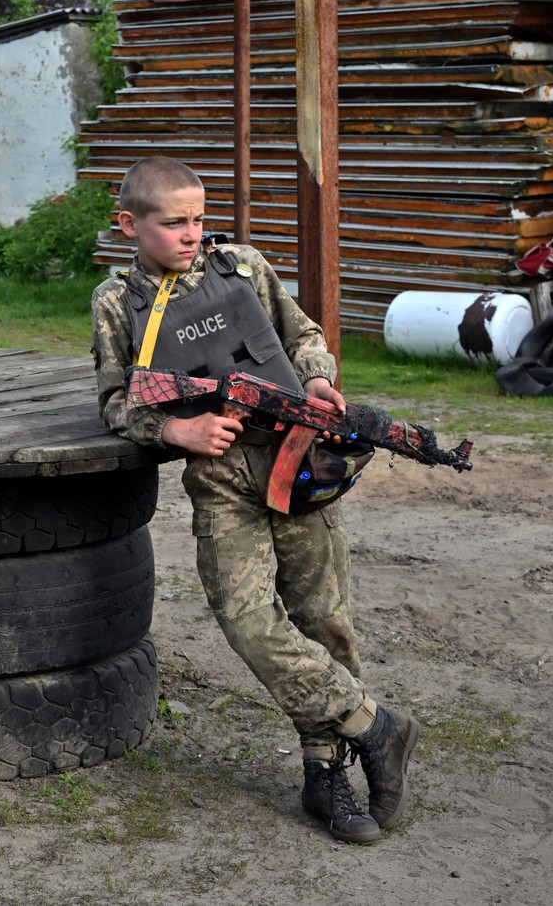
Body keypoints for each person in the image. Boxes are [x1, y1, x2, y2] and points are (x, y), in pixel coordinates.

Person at [89, 155, 420, 844]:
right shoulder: (117, 302)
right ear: (129, 225)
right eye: (174, 222)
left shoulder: (242, 265)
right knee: (247, 619)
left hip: (300, 461)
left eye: (198, 219)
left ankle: (325, 774)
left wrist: (320, 378)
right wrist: (175, 427)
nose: (191, 234)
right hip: (221, 480)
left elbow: (301, 337)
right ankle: (374, 725)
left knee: (324, 620)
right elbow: (117, 400)